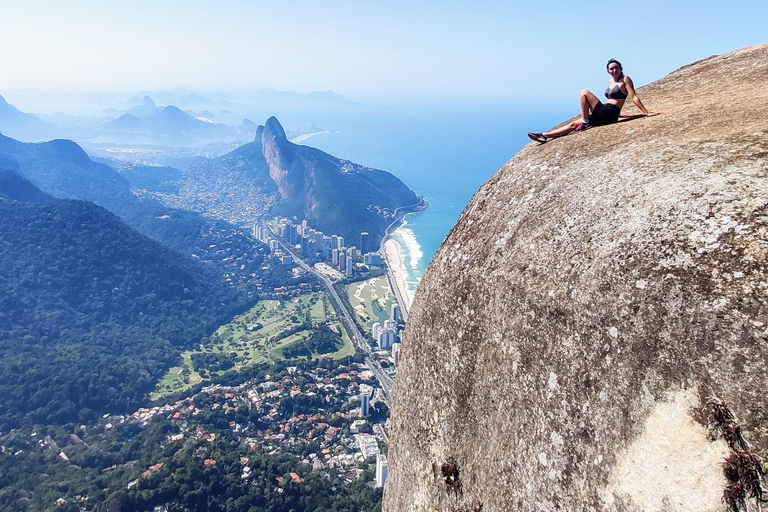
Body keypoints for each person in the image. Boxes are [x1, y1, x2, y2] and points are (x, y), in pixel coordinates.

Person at [527, 59, 658, 143]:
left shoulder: (625, 80)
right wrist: (620, 115)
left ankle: (585, 122)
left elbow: (632, 96)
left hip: (609, 113)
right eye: (611, 69)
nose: (614, 70)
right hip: (606, 113)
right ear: (608, 71)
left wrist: (646, 113)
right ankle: (544, 135)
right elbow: (613, 99)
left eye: (616, 68)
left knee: (584, 92)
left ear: (620, 68)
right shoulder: (611, 81)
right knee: (573, 124)